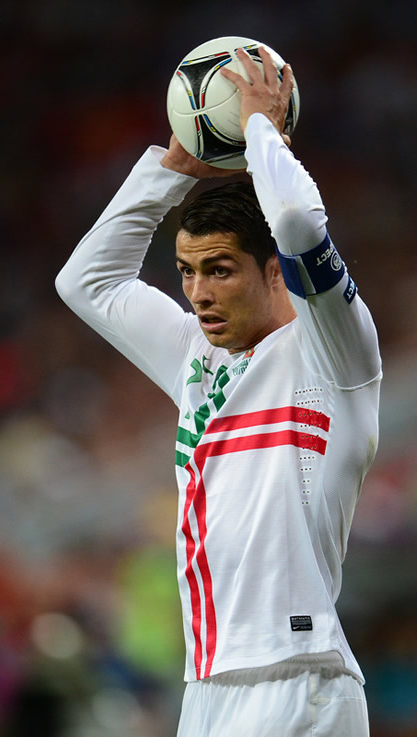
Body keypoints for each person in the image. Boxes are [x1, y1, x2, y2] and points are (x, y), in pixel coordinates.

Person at [55, 46, 382, 737]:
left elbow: (295, 223)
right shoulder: (196, 360)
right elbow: (86, 282)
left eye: (221, 270)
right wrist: (171, 170)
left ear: (276, 275)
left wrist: (262, 128)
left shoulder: (334, 353)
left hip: (302, 683)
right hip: (206, 687)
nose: (198, 294)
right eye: (186, 272)